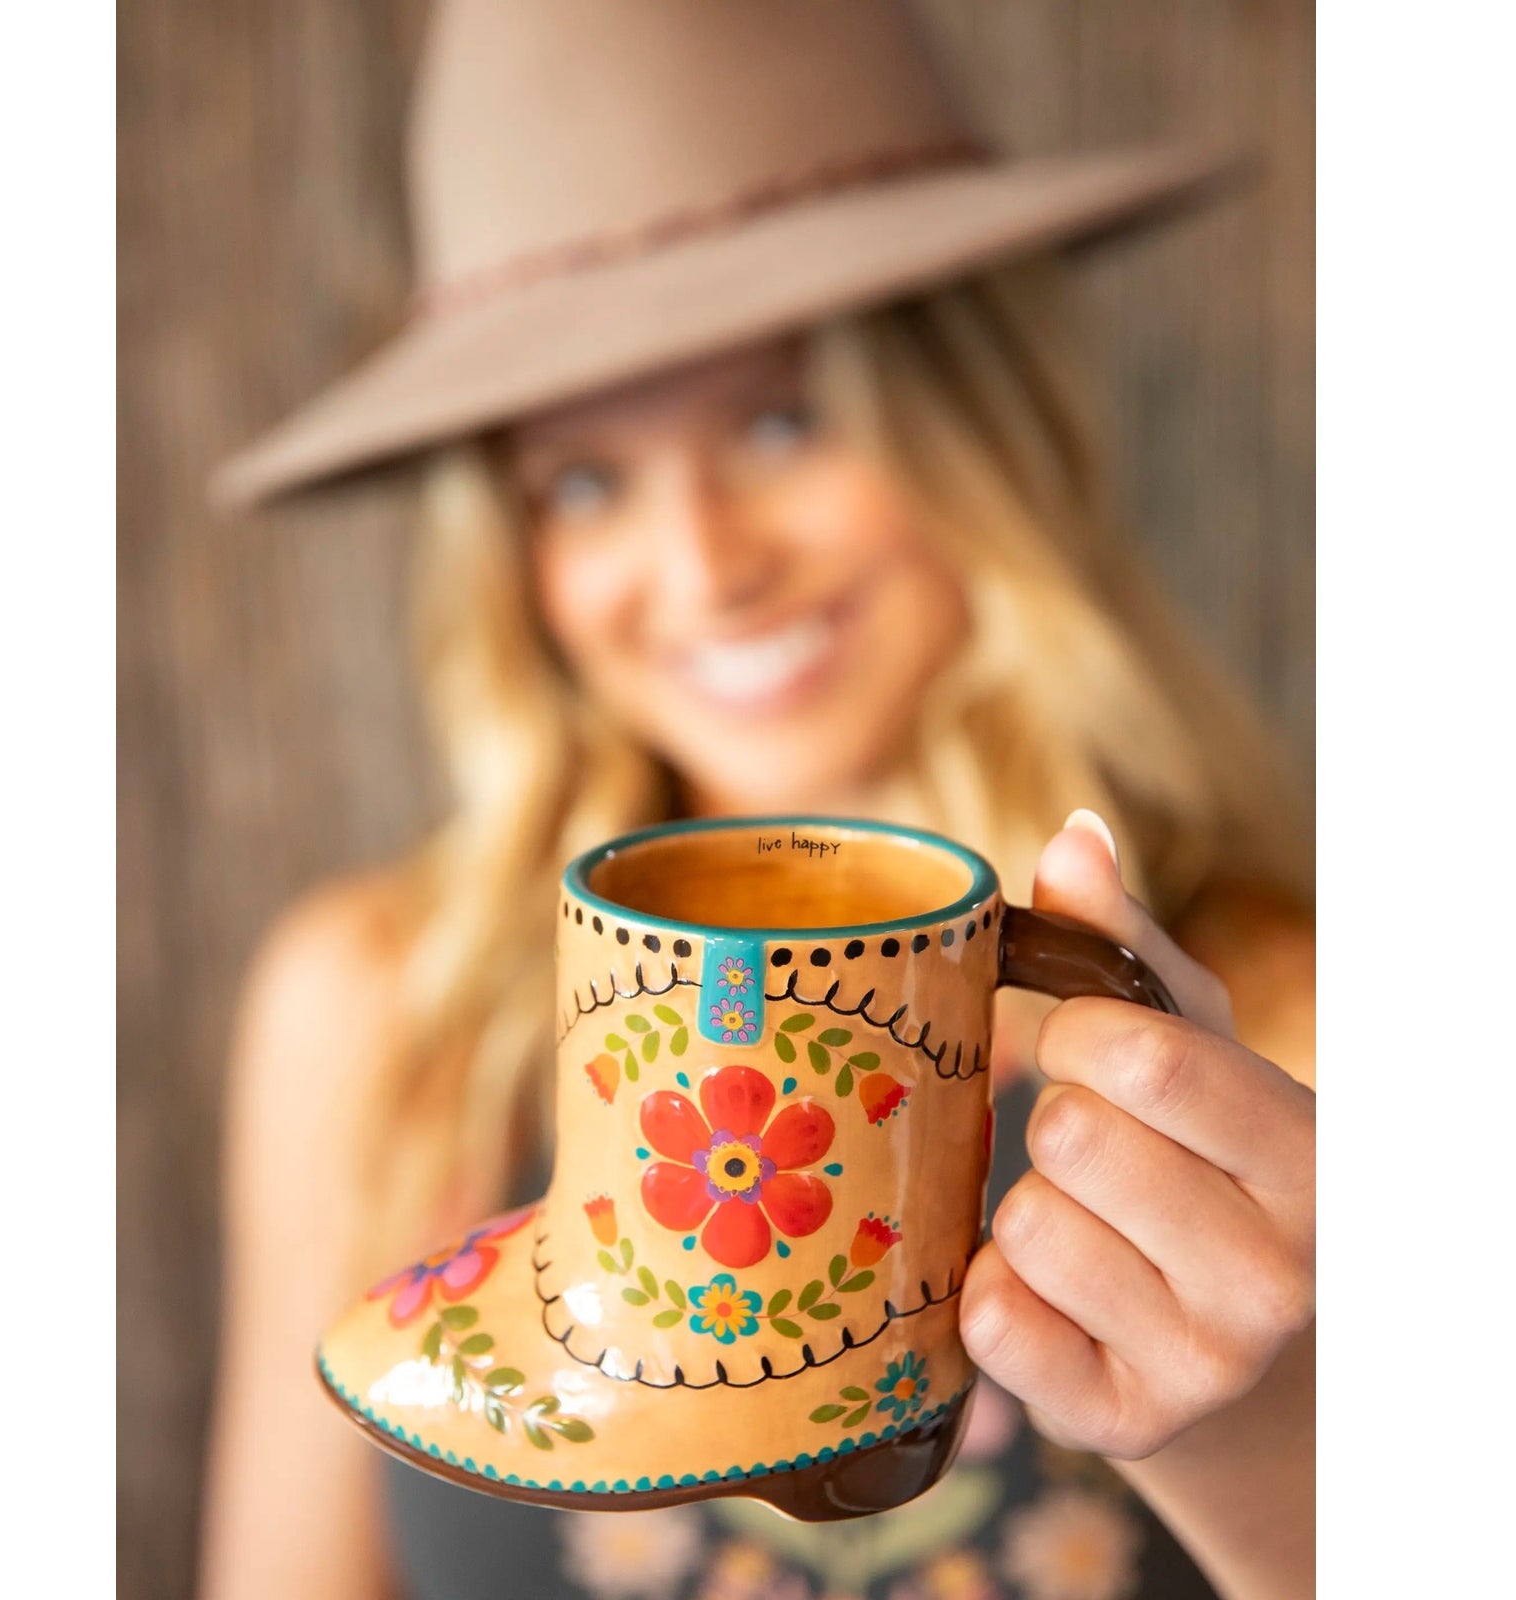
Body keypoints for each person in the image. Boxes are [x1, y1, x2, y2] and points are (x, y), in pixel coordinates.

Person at [198, 4, 1314, 1598]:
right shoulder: (381, 1017)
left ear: (981, 432)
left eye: (785, 420)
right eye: (584, 481)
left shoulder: (1282, 1036)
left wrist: (1274, 1443)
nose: (708, 569)